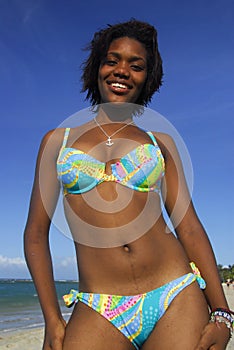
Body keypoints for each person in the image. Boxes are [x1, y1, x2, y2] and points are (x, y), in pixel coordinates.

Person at [24, 19, 233, 350]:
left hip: (174, 295)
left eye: (136, 66)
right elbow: (35, 234)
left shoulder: (159, 141)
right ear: (97, 68)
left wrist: (222, 312)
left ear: (146, 78)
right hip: (98, 306)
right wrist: (52, 318)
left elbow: (188, 227)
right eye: (112, 60)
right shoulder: (57, 141)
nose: (122, 71)